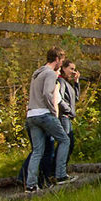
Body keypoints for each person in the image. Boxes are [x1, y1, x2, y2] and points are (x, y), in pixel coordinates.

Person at [24, 47, 77, 193]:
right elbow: (48, 93)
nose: (61, 63)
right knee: (65, 140)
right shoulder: (50, 74)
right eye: (61, 60)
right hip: (44, 114)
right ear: (57, 59)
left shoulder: (37, 73)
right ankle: (60, 175)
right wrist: (54, 112)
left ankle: (31, 185)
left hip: (31, 115)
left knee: (37, 151)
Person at [57, 60, 81, 167]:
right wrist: (68, 110)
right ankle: (58, 168)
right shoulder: (60, 81)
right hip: (63, 116)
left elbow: (76, 98)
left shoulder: (67, 83)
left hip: (68, 117)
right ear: (63, 68)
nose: (73, 71)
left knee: (70, 143)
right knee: (66, 143)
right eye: (71, 69)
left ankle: (60, 167)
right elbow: (59, 99)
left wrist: (76, 82)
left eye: (74, 69)